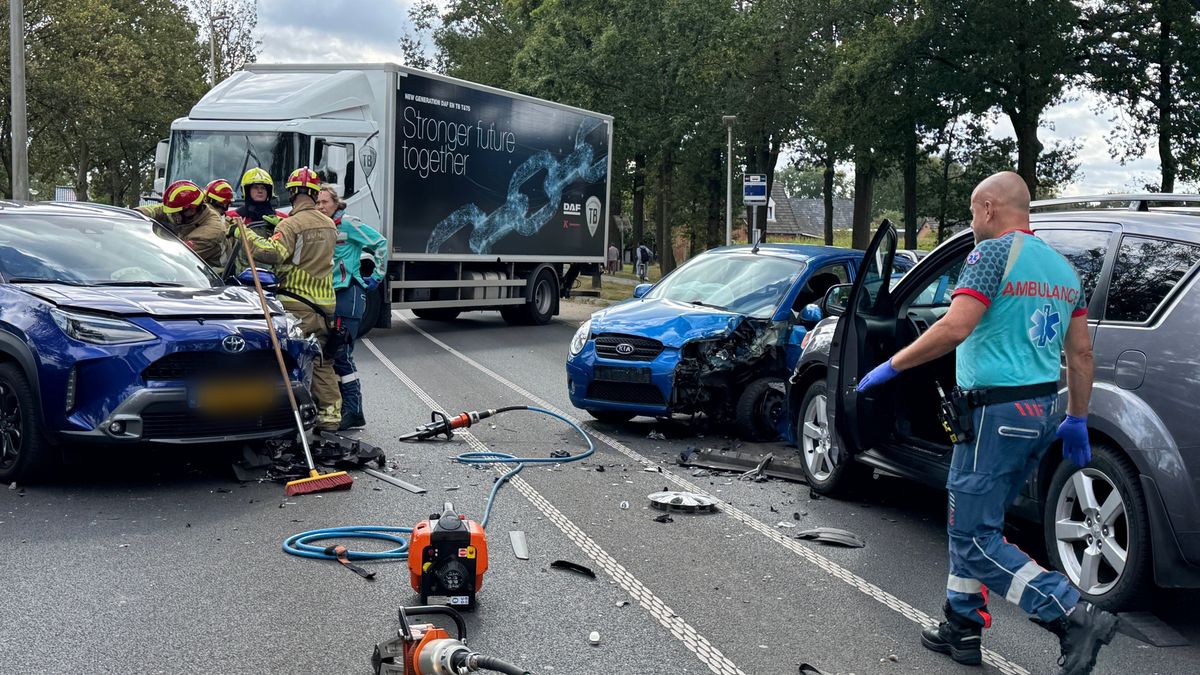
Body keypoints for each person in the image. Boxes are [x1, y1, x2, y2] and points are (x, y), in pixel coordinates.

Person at [855, 172, 1117, 674]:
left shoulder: (991, 254)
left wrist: (891, 366)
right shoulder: (1064, 270)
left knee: (974, 537)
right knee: (975, 521)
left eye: (974, 212)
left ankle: (1072, 613)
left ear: (991, 208)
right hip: (1040, 412)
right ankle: (961, 625)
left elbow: (955, 326)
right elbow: (1081, 353)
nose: (973, 223)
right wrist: (1077, 419)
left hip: (994, 415)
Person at [230, 167, 341, 431]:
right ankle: (331, 419)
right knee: (321, 360)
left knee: (292, 360)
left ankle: (291, 419)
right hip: (325, 306)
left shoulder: (290, 224)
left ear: (291, 192)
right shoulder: (328, 223)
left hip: (296, 304)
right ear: (314, 194)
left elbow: (273, 253)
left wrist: (243, 234)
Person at [315, 184, 387, 431]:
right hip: (328, 296)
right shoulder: (319, 228)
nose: (321, 206)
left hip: (349, 294)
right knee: (332, 355)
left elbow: (380, 243)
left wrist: (378, 275)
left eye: (325, 201)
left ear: (336, 203)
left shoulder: (348, 224)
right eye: (317, 202)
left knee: (342, 354)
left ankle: (354, 411)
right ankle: (342, 408)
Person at [136, 180, 227, 269]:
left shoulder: (210, 232)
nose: (172, 216)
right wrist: (135, 213)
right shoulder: (190, 210)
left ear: (191, 210)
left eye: (176, 213)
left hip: (208, 275)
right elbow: (159, 209)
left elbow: (176, 258)